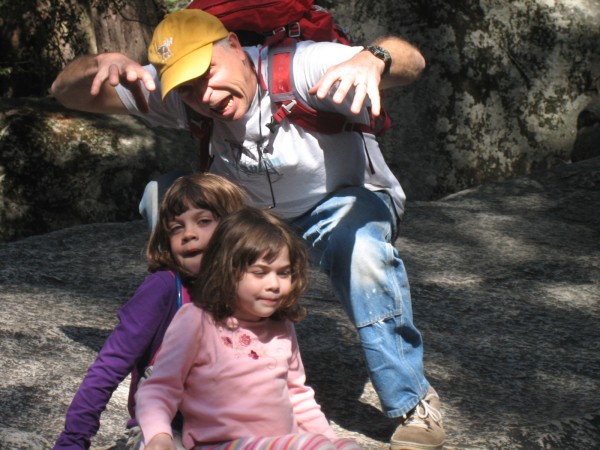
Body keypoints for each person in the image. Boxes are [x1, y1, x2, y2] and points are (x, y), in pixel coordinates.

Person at [51, 9, 444, 449]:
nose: (205, 94)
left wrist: (371, 59)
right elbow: (65, 92)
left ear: (236, 47)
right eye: (188, 87)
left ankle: (413, 403)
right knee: (160, 197)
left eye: (209, 73)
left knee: (363, 251)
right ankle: (199, 361)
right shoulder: (179, 93)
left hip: (339, 203)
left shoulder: (302, 64)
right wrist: (99, 62)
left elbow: (412, 61)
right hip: (252, 219)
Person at [135, 207, 362, 450]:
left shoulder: (281, 326)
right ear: (227, 271)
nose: (274, 284)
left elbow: (298, 396)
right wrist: (159, 436)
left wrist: (332, 439)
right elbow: (160, 388)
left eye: (283, 273)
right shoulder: (197, 321)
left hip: (284, 443)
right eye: (260, 273)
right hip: (219, 444)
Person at [53, 173, 249, 450]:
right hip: (166, 430)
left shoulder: (248, 292)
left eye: (204, 221)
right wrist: (73, 440)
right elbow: (110, 365)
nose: (189, 234)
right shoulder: (165, 288)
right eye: (176, 227)